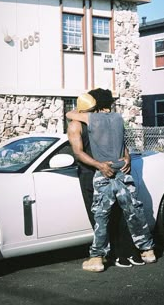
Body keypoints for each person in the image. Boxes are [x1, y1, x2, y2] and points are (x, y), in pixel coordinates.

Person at [67, 89, 156, 272]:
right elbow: (123, 145)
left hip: (95, 173)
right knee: (129, 213)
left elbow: (77, 152)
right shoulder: (116, 119)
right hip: (118, 170)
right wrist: (127, 158)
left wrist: (100, 165)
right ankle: (142, 251)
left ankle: (103, 257)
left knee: (100, 217)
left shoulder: (80, 123)